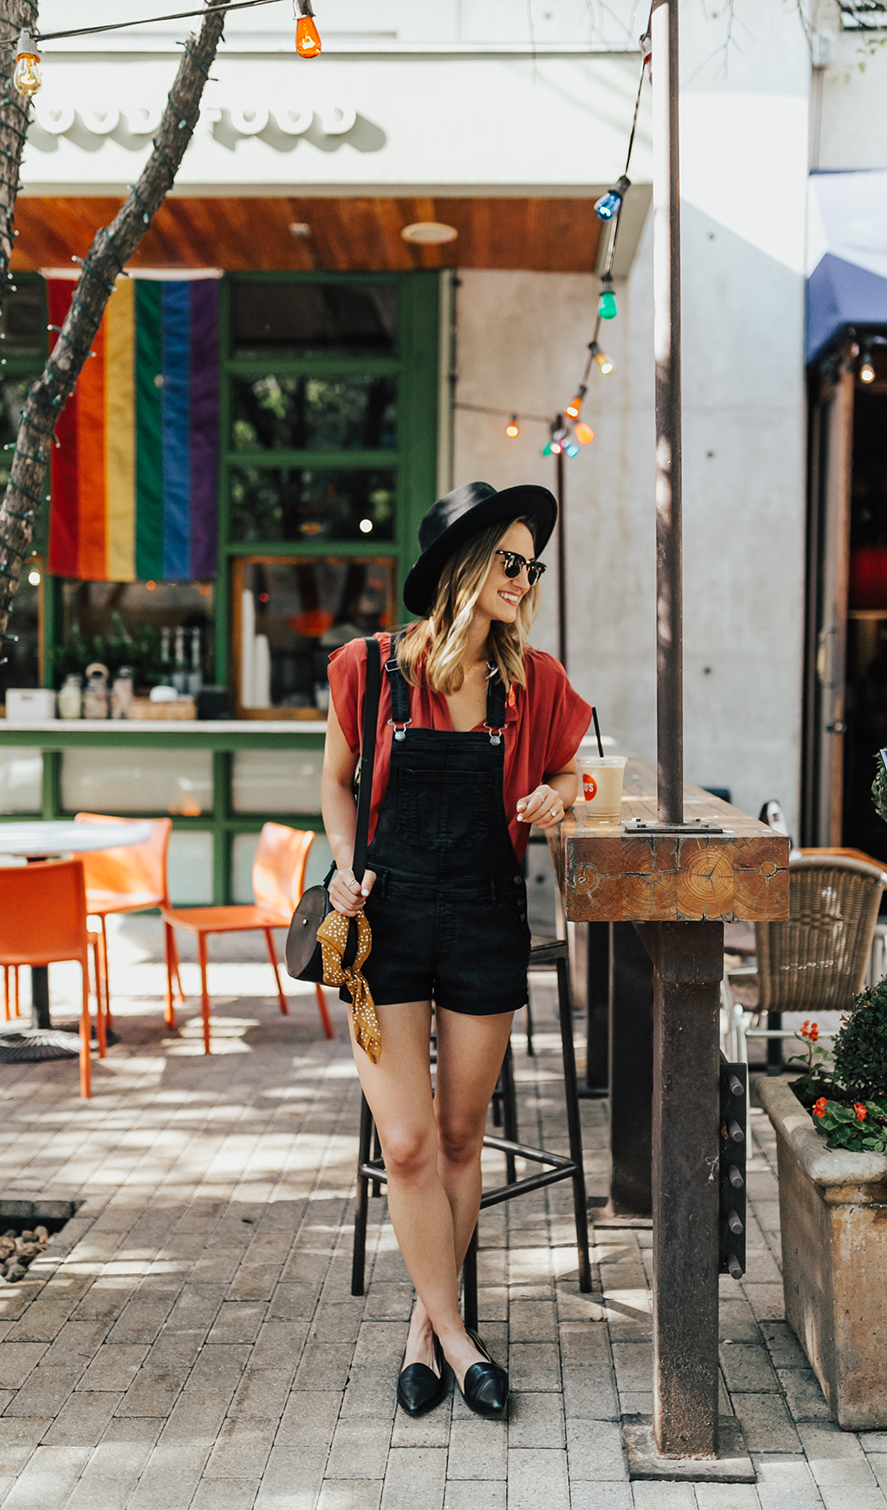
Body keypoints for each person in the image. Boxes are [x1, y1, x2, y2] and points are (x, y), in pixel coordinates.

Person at [321, 480, 592, 1419]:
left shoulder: (534, 682)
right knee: (405, 1146)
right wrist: (342, 868)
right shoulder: (366, 668)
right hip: (382, 921)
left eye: (532, 565)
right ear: (464, 569)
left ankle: (422, 1332)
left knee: (460, 1137)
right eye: (511, 561)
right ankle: (463, 1337)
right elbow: (336, 784)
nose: (525, 578)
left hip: (482, 915)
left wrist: (561, 793)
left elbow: (572, 766)